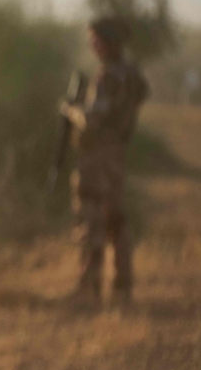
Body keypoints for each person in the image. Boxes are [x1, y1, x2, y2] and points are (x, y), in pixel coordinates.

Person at [60, 17, 148, 310]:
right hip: (117, 154)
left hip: (97, 156)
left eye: (96, 39)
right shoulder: (132, 75)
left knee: (91, 219)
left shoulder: (109, 76)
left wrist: (70, 110)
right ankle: (123, 286)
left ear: (109, 41)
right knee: (116, 219)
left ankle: (89, 288)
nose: (92, 45)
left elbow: (92, 120)